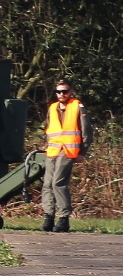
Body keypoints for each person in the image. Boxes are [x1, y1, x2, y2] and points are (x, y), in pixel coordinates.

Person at [41, 80, 92, 233]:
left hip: (69, 150)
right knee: (47, 184)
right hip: (53, 150)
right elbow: (49, 128)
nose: (62, 94)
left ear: (71, 92)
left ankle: (63, 219)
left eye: (65, 91)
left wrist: (83, 152)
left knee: (58, 183)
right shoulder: (52, 108)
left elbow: (87, 131)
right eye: (59, 92)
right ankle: (48, 217)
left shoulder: (77, 106)